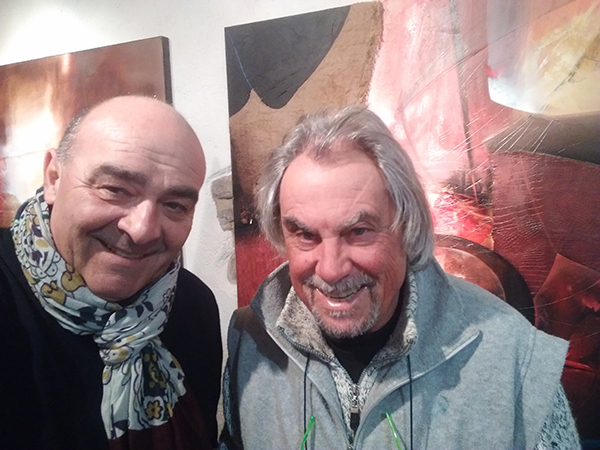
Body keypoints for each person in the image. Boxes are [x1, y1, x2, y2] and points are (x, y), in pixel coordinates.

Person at [219, 106, 581, 449]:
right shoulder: (251, 343)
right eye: (305, 235)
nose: (330, 269)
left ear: (407, 226)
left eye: (359, 231)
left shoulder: (515, 359)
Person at [0, 96, 222, 450]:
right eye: (115, 190)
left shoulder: (193, 305)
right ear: (54, 177)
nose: (142, 229)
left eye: (174, 205)